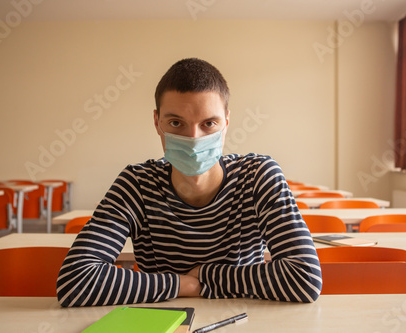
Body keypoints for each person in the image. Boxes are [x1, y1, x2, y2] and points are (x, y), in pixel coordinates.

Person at [57, 58, 322, 307]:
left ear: (226, 122)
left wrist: (207, 277)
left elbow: (305, 278)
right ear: (156, 122)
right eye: (176, 123)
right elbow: (75, 281)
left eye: (209, 123)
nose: (194, 139)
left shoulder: (258, 176)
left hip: (245, 321)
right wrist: (185, 285)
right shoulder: (136, 183)